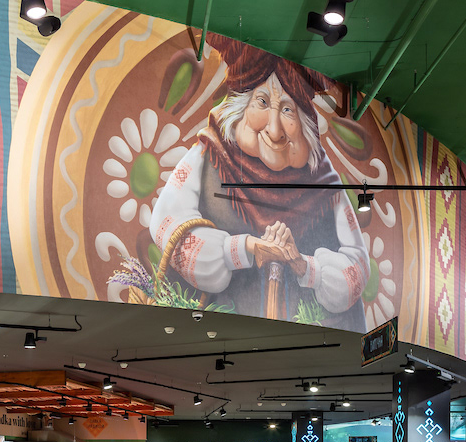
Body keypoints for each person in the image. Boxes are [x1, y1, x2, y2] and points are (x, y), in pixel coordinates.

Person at [149, 34, 370, 329]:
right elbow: (166, 223)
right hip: (215, 338)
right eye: (263, 102)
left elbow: (357, 266)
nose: (275, 129)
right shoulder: (209, 153)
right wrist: (243, 248)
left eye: (288, 109)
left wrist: (306, 267)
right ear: (243, 105)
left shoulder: (325, 184)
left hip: (312, 350)